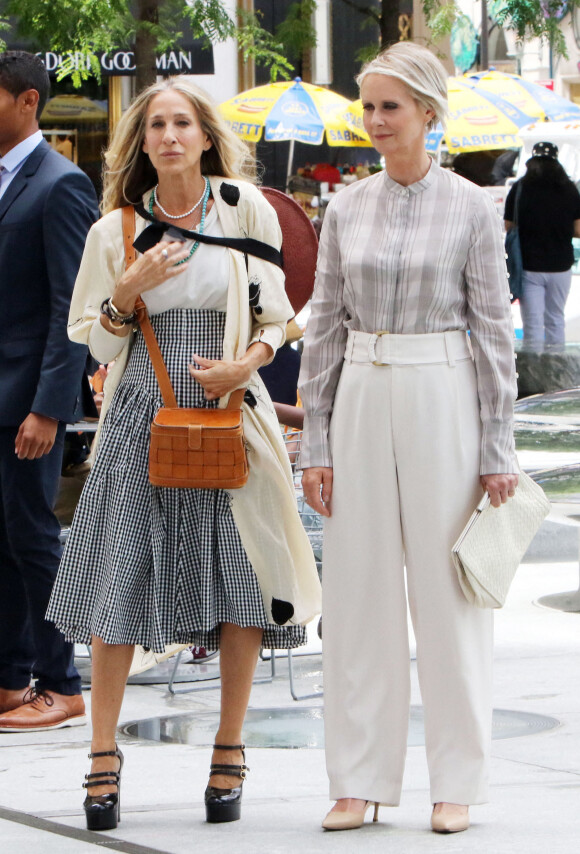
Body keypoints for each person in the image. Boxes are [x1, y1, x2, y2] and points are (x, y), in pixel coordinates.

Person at [45, 76, 321, 832]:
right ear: (142, 143)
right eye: (156, 126)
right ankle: (102, 754)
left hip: (231, 405)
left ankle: (229, 749)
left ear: (204, 137)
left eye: (182, 124)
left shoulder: (245, 209)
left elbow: (279, 316)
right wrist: (125, 292)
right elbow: (94, 341)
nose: (169, 136)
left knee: (241, 581)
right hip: (143, 409)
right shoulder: (115, 232)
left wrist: (246, 364)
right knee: (119, 576)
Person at [299, 42, 518, 835]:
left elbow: (494, 331)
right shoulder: (346, 209)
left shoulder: (473, 207)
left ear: (428, 112)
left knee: (449, 592)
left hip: (443, 390)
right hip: (360, 389)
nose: (376, 121)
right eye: (370, 106)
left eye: (391, 106)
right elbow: (323, 326)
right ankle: (357, 780)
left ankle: (454, 781)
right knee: (356, 595)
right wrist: (314, 441)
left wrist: (499, 447)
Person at [0, 52, 98, 732]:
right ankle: (11, 678)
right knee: (1, 539)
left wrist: (48, 407)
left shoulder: (61, 184)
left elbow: (75, 305)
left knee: (35, 536)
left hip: (29, 399)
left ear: (27, 101)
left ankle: (62, 682)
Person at [505, 141, 580, 351]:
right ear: (556, 162)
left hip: (529, 267)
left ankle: (534, 374)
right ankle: (557, 372)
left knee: (532, 325)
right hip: (561, 267)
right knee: (556, 319)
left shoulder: (519, 189)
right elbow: (578, 230)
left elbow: (509, 225)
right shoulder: (570, 190)